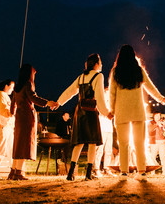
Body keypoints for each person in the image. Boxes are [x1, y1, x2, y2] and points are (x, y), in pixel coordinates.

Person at [109, 44, 165, 181]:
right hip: (137, 110)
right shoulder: (139, 70)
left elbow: (112, 94)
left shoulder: (115, 72)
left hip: (121, 111)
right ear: (133, 56)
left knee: (123, 143)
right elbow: (150, 87)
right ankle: (141, 172)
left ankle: (123, 172)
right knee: (139, 142)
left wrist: (112, 110)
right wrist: (161, 99)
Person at [57, 53, 113, 181]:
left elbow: (70, 91)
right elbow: (99, 97)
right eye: (100, 62)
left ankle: (71, 173)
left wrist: (59, 102)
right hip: (90, 111)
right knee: (92, 142)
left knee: (79, 142)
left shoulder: (81, 77)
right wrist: (106, 113)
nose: (102, 65)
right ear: (96, 64)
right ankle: (88, 174)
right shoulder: (99, 76)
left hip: (79, 111)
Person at [9, 64, 58, 180]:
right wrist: (48, 103)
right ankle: (19, 173)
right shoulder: (28, 84)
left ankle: (13, 171)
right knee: (24, 144)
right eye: (33, 73)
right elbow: (33, 98)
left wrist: (12, 113)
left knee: (18, 144)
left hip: (19, 118)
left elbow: (12, 105)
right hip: (26, 117)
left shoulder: (17, 88)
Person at [0, 79, 15, 179]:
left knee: (10, 149)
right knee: (1, 149)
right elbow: (3, 109)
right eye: (11, 87)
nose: (12, 90)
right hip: (2, 126)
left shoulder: (4, 96)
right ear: (6, 86)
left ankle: (14, 170)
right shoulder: (0, 95)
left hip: (8, 126)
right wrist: (12, 112)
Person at [94, 85, 115, 177]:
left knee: (108, 150)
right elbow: (101, 108)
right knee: (99, 149)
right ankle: (96, 169)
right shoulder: (101, 98)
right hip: (101, 126)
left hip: (109, 128)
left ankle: (106, 168)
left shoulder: (112, 100)